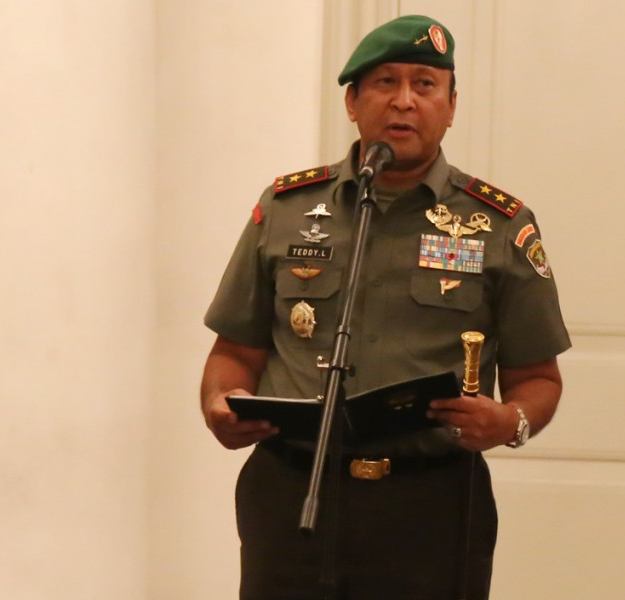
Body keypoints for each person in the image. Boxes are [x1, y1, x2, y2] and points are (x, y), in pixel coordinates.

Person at [201, 14, 570, 600]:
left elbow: (538, 379)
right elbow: (234, 353)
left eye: (424, 84)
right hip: (292, 493)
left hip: (430, 505)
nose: (403, 101)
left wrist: (511, 422)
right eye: (384, 83)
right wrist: (220, 405)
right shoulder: (288, 208)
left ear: (451, 106)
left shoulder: (499, 224)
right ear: (352, 102)